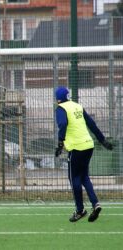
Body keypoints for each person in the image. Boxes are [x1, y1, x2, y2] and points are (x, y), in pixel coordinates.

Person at [54, 86, 113, 223]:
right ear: (68, 96)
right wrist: (102, 140)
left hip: (76, 148)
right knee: (84, 176)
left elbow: (62, 124)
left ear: (58, 99)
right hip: (88, 145)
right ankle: (95, 203)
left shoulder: (61, 108)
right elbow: (91, 123)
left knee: (74, 178)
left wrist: (60, 143)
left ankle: (80, 210)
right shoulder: (77, 106)